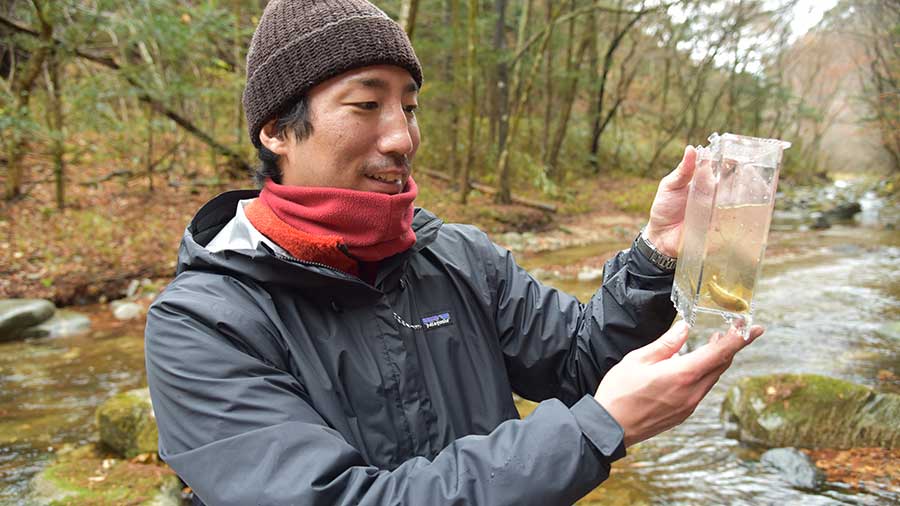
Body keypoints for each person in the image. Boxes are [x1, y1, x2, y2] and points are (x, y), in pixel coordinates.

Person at [144, 1, 764, 504]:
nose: (402, 136)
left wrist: (654, 258)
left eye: (409, 107)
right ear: (276, 129)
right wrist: (595, 430)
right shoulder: (201, 323)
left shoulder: (458, 257)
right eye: (366, 105)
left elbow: (584, 370)